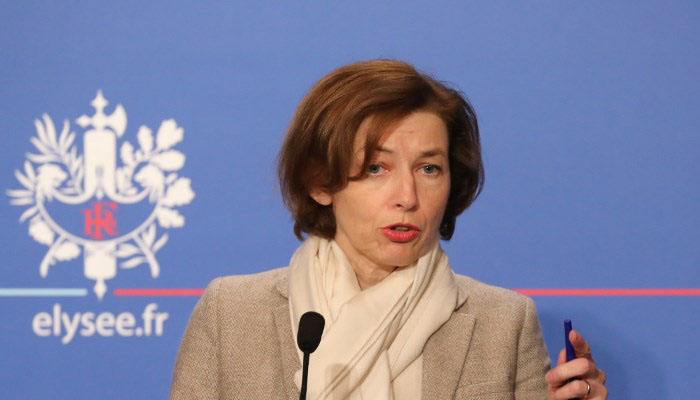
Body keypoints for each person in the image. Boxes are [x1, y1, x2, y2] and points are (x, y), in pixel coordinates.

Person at [169, 60, 608, 399]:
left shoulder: (504, 323)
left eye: (429, 168)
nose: (407, 196)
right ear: (320, 182)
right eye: (377, 168)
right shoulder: (232, 314)